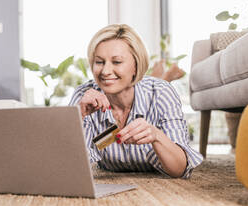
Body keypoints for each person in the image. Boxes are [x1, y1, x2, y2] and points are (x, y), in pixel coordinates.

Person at [69, 24, 203, 179]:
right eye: (99, 62)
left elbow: (180, 169)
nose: (105, 71)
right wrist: (78, 117)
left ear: (135, 66)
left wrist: (155, 135)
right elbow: (69, 167)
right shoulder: (84, 96)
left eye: (117, 62)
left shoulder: (161, 92)